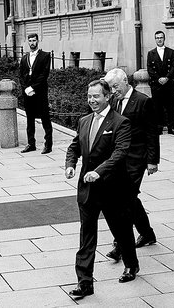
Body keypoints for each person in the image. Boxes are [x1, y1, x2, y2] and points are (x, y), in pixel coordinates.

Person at [65, 79, 139, 300]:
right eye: (89, 96)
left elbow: (120, 153)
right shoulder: (84, 120)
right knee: (87, 236)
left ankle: (131, 264)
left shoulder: (121, 123)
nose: (92, 100)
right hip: (88, 189)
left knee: (121, 230)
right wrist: (70, 164)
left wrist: (99, 171)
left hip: (112, 188)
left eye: (96, 96)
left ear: (107, 96)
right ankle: (84, 282)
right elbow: (75, 145)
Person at [103, 68, 159, 262]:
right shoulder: (114, 100)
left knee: (123, 201)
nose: (113, 90)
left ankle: (119, 245)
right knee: (130, 198)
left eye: (115, 86)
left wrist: (152, 160)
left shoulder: (143, 101)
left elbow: (152, 132)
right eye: (110, 88)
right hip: (118, 159)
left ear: (125, 81)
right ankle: (147, 232)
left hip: (137, 158)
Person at [19, 33, 53, 154]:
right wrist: (26, 88)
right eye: (30, 41)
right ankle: (31, 143)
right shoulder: (24, 58)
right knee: (29, 119)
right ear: (28, 42)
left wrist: (33, 87)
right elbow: (21, 75)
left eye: (34, 40)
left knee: (45, 118)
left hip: (40, 92)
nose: (32, 43)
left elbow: (44, 74)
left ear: (38, 41)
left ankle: (48, 144)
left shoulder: (45, 56)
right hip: (28, 93)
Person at [147, 30, 174, 135]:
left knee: (170, 106)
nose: (159, 39)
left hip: (168, 84)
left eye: (161, 37)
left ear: (164, 39)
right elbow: (150, 69)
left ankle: (171, 127)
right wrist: (158, 79)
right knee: (157, 107)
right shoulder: (151, 53)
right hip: (157, 85)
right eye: (157, 38)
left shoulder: (171, 52)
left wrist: (167, 78)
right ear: (155, 39)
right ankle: (159, 127)